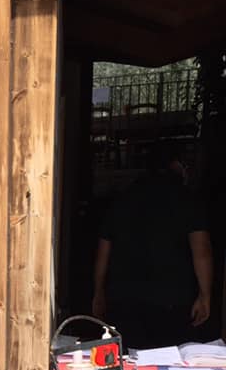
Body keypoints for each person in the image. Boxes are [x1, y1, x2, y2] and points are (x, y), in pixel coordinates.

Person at [91, 143, 213, 350]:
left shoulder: (123, 198)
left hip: (124, 297)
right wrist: (205, 295)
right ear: (176, 165)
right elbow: (202, 250)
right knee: (170, 359)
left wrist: (99, 292)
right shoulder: (186, 199)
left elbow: (103, 251)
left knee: (129, 361)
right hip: (172, 299)